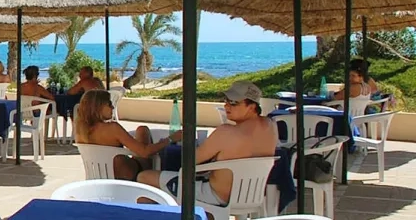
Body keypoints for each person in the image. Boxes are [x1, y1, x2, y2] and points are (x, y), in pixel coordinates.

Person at [137, 81, 278, 208]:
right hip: (251, 195)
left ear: (252, 107)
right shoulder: (270, 126)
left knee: (144, 177)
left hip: (215, 195)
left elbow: (190, 162)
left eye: (234, 103)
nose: (226, 106)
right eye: (226, 101)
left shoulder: (226, 132)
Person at [75, 90, 177, 180]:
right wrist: (170, 139)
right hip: (127, 175)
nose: (113, 107)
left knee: (141, 132)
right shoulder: (112, 128)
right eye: (109, 104)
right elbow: (144, 152)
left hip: (98, 175)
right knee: (143, 130)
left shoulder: (80, 131)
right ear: (98, 107)